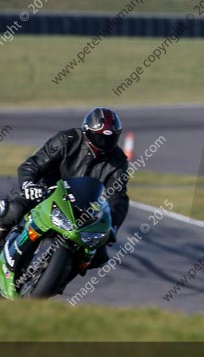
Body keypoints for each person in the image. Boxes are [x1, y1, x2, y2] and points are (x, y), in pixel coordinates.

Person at [0, 108, 130, 266]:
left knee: (98, 256)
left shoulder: (118, 161)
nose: (104, 143)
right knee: (13, 210)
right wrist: (29, 184)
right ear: (87, 132)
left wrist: (112, 226)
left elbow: (118, 197)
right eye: (99, 137)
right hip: (45, 194)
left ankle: (60, 273)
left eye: (110, 138)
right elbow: (32, 165)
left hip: (83, 211)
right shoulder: (68, 139)